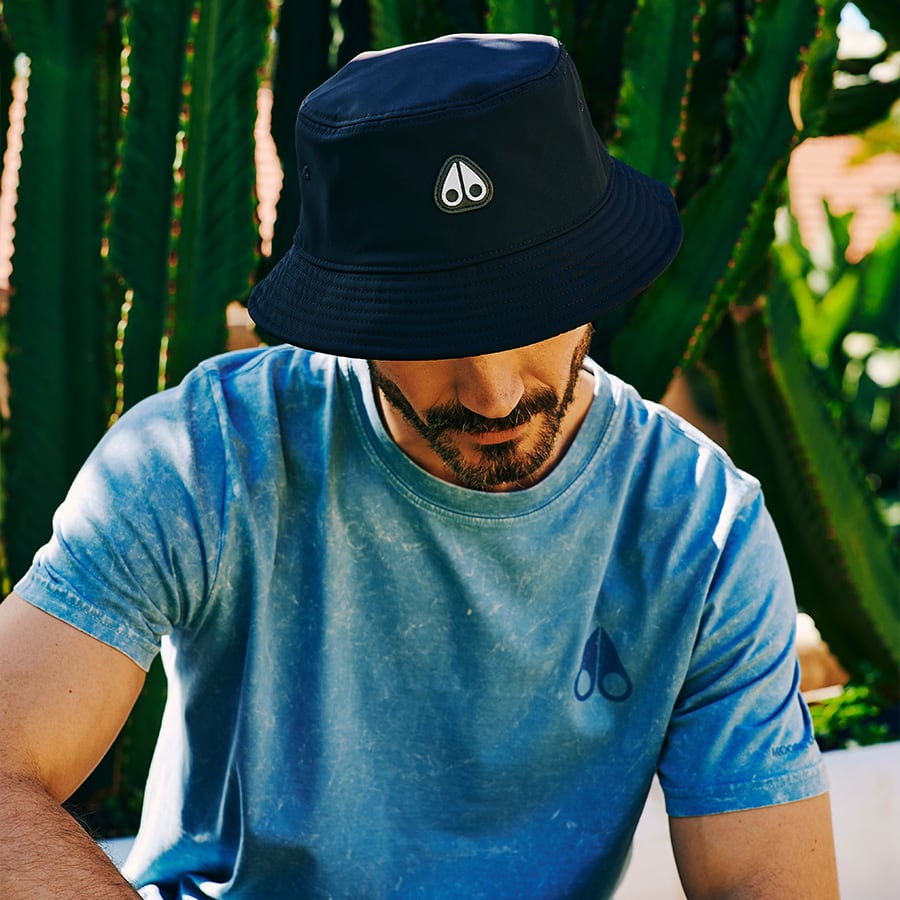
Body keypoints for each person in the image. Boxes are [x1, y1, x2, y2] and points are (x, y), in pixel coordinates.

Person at [0, 33, 839, 899]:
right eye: (433, 330)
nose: (494, 392)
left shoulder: (702, 531)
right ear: (353, 316)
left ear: (591, 276)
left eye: (531, 309)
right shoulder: (202, 458)